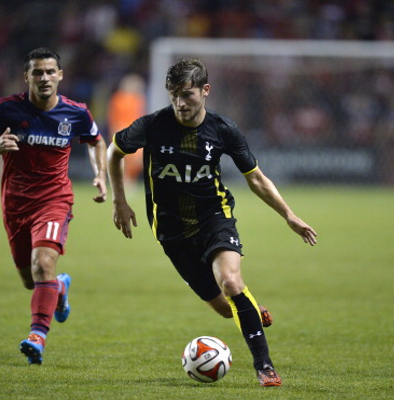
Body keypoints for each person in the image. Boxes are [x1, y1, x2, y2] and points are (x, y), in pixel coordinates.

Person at [107, 58, 317, 387]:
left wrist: (289, 216)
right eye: (174, 94)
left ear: (205, 90)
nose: (180, 102)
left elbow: (257, 179)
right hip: (171, 232)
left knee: (231, 282)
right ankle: (249, 310)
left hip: (214, 218)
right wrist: (119, 200)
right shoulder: (152, 125)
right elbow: (114, 151)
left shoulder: (222, 130)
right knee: (224, 308)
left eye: (187, 94)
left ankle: (264, 366)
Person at [0, 48, 107, 365]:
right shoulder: (5, 109)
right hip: (14, 203)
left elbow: (95, 140)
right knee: (32, 280)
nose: (44, 78)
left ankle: (36, 337)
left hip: (54, 200)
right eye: (37, 72)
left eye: (50, 71)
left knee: (42, 265)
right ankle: (60, 289)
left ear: (60, 75)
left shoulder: (76, 112)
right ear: (26, 76)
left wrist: (100, 174)